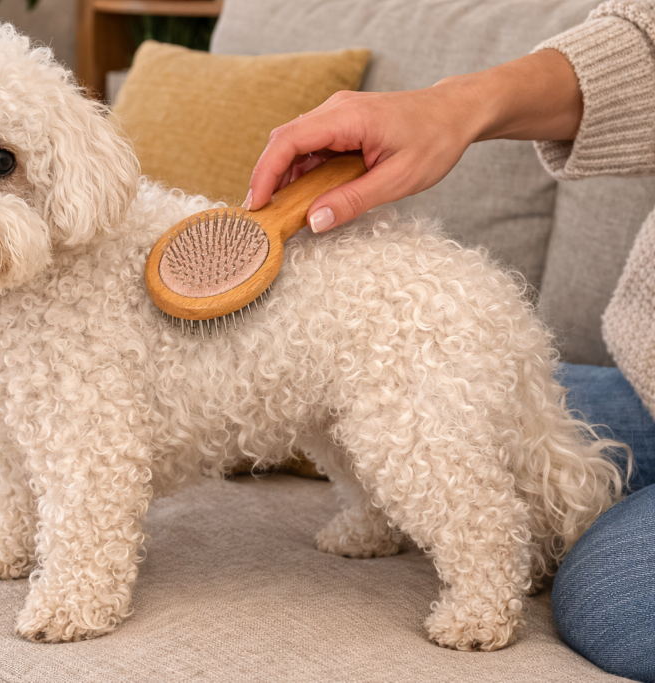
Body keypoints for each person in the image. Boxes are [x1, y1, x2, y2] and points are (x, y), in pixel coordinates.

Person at [244, 2, 655, 680]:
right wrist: (453, 106)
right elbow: (646, 43)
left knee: (616, 599)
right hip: (644, 370)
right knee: (449, 396)